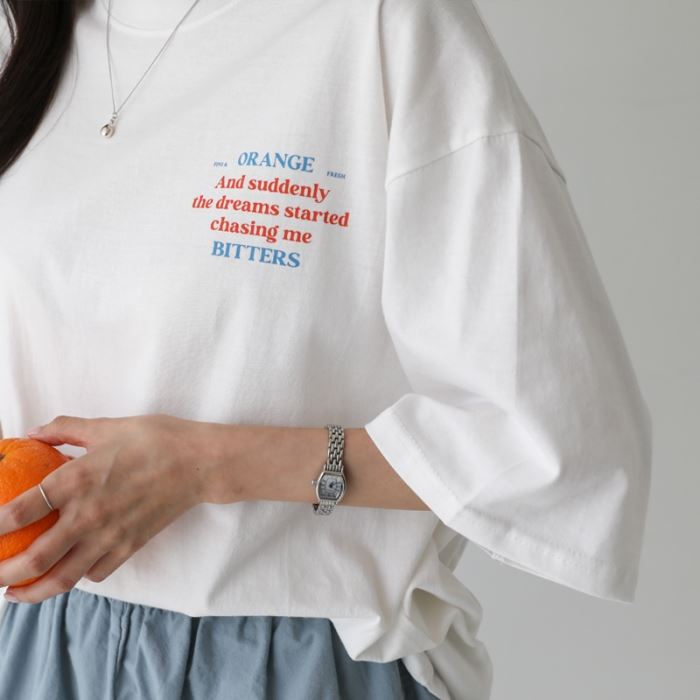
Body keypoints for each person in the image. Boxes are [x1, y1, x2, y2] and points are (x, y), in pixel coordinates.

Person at [0, 0, 653, 698]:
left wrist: (202, 465)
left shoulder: (385, 25)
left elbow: (558, 439)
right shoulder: (24, 31)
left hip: (294, 665)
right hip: (38, 645)